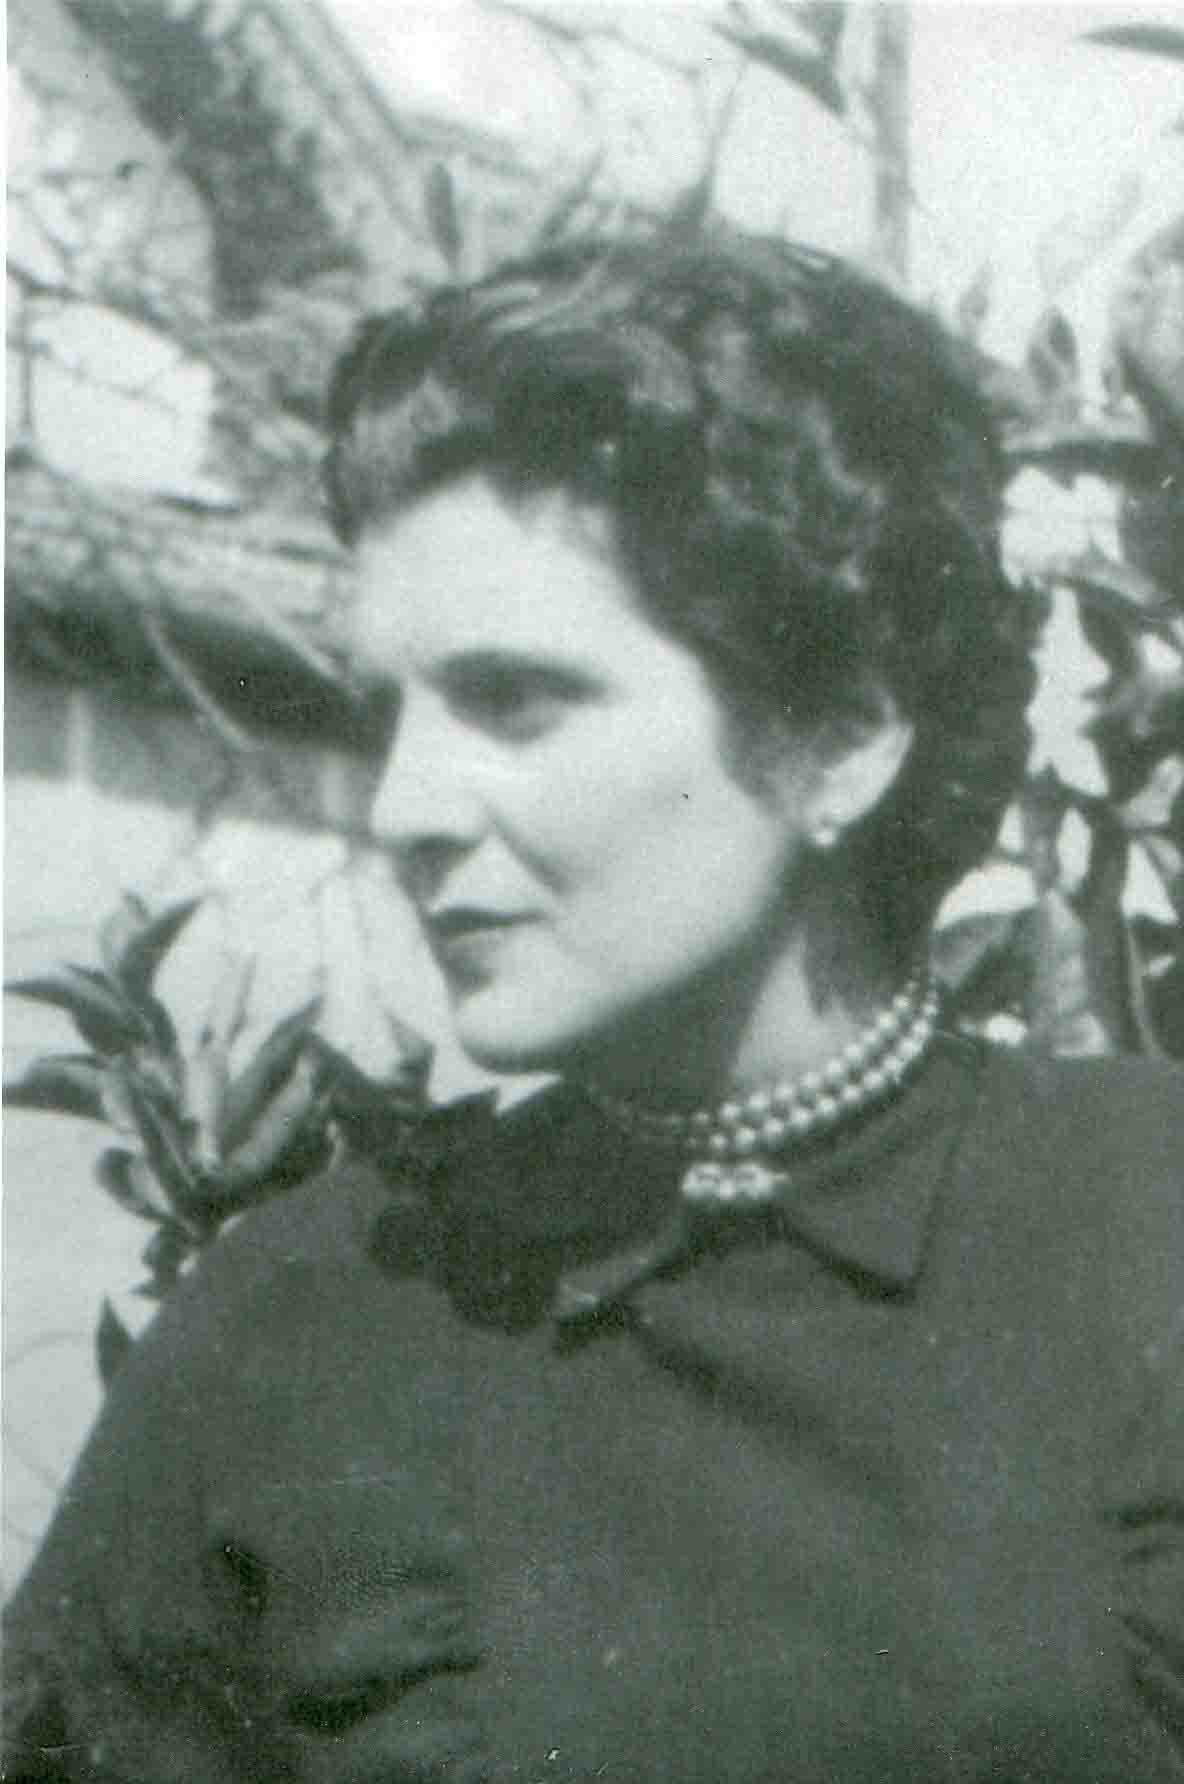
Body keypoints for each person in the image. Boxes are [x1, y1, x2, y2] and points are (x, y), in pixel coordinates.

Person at [4, 224, 1182, 1784]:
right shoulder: (303, 1319)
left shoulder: (1147, 1223)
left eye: (515, 701)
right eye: (391, 711)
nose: (405, 806)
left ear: (841, 738)